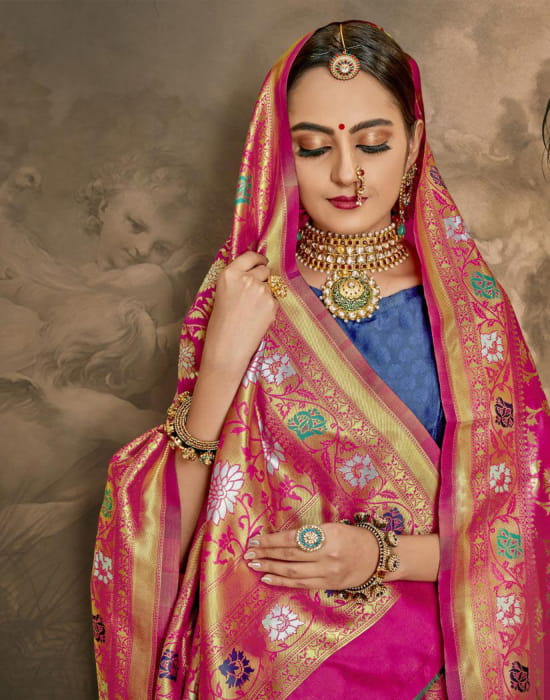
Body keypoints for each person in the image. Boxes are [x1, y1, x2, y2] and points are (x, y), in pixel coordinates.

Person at [91, 20, 549, 699]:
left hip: (437, 661)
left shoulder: (468, 314)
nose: (345, 173)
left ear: (414, 144)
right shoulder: (242, 291)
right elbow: (170, 532)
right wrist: (219, 368)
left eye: (373, 143)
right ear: (279, 154)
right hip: (266, 665)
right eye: (312, 147)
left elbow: (523, 527)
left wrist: (380, 555)